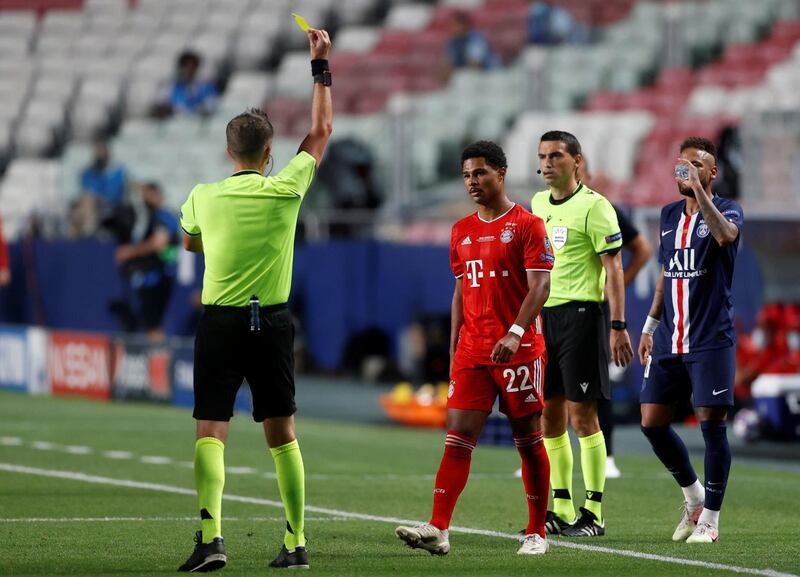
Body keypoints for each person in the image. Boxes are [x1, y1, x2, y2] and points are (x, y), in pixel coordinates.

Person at [176, 27, 332, 572]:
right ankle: (295, 543)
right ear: (270, 152)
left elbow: (191, 241)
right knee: (282, 434)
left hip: (219, 321)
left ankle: (211, 539)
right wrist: (319, 66)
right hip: (272, 323)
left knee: (210, 429)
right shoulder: (286, 187)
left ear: (228, 151)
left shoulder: (202, 196)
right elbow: (321, 131)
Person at [395, 140, 554, 556]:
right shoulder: (460, 230)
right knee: (458, 435)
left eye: (480, 173)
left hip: (519, 350)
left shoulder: (526, 225)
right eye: (466, 175)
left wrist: (515, 332)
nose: (472, 181)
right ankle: (438, 528)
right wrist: (452, 351)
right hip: (472, 352)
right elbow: (460, 293)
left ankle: (537, 531)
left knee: (528, 438)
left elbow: (541, 286)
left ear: (500, 174)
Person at [638, 136, 743, 544]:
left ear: (711, 171)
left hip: (709, 338)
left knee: (711, 426)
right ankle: (693, 496)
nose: (685, 170)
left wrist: (700, 192)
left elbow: (725, 237)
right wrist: (648, 327)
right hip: (669, 336)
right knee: (651, 422)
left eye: (696, 165)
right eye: (682, 164)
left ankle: (711, 520)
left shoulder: (728, 209)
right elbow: (667, 276)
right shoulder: (667, 215)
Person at [529, 130, 633, 537]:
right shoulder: (537, 204)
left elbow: (614, 269)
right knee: (548, 418)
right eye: (542, 156)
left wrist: (618, 325)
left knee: (583, 416)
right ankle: (561, 507)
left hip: (582, 317)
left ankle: (594, 514)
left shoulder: (595, 207)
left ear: (577, 160)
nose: (548, 163)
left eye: (556, 155)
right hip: (545, 319)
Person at [581, 161, 653, 479]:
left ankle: (608, 456)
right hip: (557, 308)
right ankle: (537, 456)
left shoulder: (603, 209)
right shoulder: (546, 208)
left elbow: (643, 250)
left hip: (597, 309)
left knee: (600, 383)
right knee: (549, 386)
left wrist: (617, 288)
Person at [114, 182, 180, 341]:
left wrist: (130, 252)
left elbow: (159, 242)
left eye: (147, 195)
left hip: (158, 277)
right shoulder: (155, 217)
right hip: (158, 275)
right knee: (151, 323)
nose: (144, 200)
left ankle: (158, 362)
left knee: (153, 325)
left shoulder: (163, 217)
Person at [168, 51, 218, 116]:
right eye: (186, 66)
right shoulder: (176, 86)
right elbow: (174, 105)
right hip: (180, 121)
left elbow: (211, 103)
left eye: (192, 66)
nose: (189, 69)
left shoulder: (206, 85)